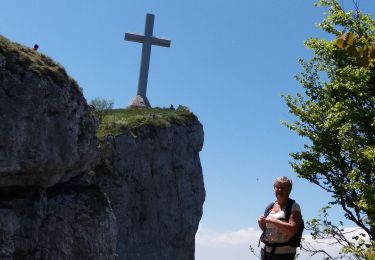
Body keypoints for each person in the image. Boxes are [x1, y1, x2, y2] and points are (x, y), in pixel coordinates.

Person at [258, 176, 302, 260]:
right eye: (277, 187)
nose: (279, 190)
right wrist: (261, 224)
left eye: (283, 188)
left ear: (289, 190)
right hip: (266, 251)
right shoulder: (270, 206)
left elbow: (292, 230)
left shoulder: (294, 206)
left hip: (284, 254)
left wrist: (273, 220)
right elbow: (266, 230)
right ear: (274, 188)